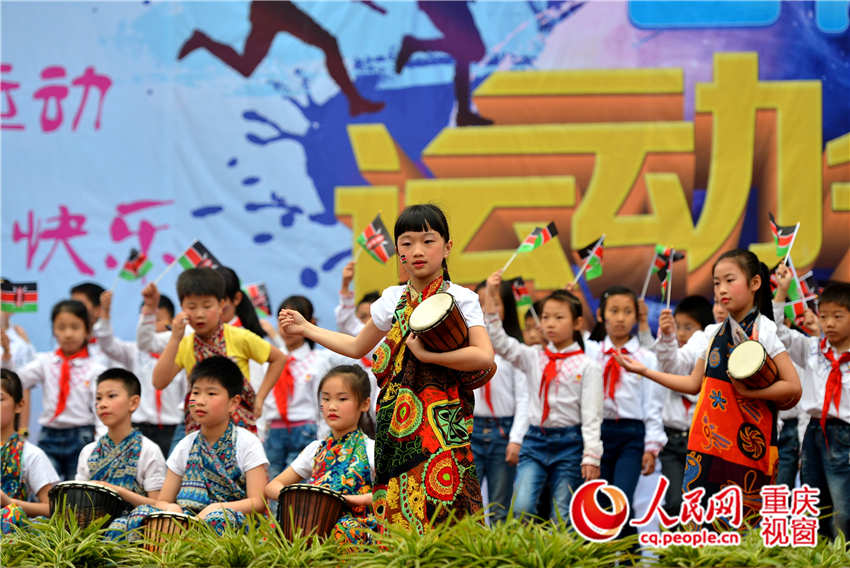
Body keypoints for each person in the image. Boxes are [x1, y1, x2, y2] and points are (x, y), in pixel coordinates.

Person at [279, 204, 495, 533]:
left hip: (443, 421)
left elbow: (483, 356)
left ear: (448, 247)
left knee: (445, 506)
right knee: (396, 510)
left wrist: (429, 357)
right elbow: (356, 346)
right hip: (394, 425)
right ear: (398, 251)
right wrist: (307, 328)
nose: (417, 251)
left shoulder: (461, 297)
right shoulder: (392, 299)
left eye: (428, 241)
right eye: (407, 243)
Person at [615, 249, 801, 522]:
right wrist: (644, 371)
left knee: (744, 526)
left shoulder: (765, 330)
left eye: (729, 280)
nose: (721, 290)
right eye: (716, 283)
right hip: (706, 446)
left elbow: (793, 387)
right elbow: (692, 384)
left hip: (750, 448)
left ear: (755, 284)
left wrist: (751, 392)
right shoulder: (712, 333)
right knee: (700, 526)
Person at [107, 357, 269, 537]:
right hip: (188, 522)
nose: (199, 401)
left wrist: (218, 508)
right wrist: (171, 507)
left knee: (217, 519)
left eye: (211, 394)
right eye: (195, 392)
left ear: (233, 403)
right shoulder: (185, 445)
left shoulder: (247, 442)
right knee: (129, 520)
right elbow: (163, 502)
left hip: (231, 525)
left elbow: (258, 502)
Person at [485, 273, 602, 522]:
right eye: (546, 317)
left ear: (577, 323)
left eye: (559, 318)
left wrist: (591, 455)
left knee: (562, 514)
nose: (550, 323)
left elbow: (592, 416)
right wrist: (493, 297)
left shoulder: (587, 365)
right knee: (521, 507)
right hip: (535, 440)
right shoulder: (532, 356)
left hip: (570, 443)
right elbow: (499, 341)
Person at [177, 1, 384, 117]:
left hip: (269, 9)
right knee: (329, 43)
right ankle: (356, 101)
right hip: (273, 8)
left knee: (246, 66)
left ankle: (202, 40)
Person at [151, 268, 286, 435]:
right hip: (197, 429)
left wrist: (260, 399)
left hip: (238, 427)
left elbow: (279, 358)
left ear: (221, 304)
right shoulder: (185, 344)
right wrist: (174, 338)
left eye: (207, 306)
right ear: (182, 308)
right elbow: (159, 382)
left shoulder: (239, 336)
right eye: (192, 307)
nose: (200, 314)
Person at [773, 268, 850, 539]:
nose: (829, 323)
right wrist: (781, 291)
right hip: (814, 432)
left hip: (844, 433)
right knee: (814, 503)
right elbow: (778, 333)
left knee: (844, 509)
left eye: (838, 317)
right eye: (824, 316)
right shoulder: (813, 348)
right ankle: (817, 556)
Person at [266, 365, 377, 545]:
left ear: (364, 404)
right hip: (312, 521)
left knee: (344, 530)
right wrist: (304, 497)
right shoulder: (315, 449)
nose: (331, 406)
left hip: (355, 526)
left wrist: (347, 500)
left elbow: (388, 494)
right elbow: (272, 486)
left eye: (342, 399)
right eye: (325, 399)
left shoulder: (371, 448)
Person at [585, 286, 666, 533]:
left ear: (637, 317)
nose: (620, 318)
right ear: (601, 315)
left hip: (631, 435)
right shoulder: (590, 352)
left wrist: (652, 448)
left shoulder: (645, 358)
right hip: (597, 434)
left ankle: (630, 559)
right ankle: (604, 560)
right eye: (614, 311)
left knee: (620, 499)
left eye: (628, 312)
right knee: (599, 501)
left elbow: (653, 405)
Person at [10, 300, 105, 480]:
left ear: (87, 331)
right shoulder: (45, 362)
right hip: (49, 435)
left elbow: (99, 406)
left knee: (75, 491)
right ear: (54, 330)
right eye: (61, 327)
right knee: (43, 487)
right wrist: (7, 356)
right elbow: (15, 380)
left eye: (75, 327)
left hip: (82, 436)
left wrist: (100, 442)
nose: (68, 334)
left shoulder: (95, 369)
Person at [638, 295, 713, 516]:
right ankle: (671, 549)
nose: (681, 334)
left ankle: (701, 548)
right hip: (671, 442)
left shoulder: (711, 362)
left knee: (702, 501)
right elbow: (653, 355)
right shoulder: (667, 362)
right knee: (674, 502)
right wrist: (644, 322)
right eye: (677, 327)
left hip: (702, 440)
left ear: (703, 332)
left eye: (688, 327)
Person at [93, 290, 186, 458]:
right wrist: (105, 313)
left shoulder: (181, 352)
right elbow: (107, 344)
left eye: (157, 320)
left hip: (172, 427)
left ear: (172, 322)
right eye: (147, 321)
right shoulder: (134, 351)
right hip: (139, 427)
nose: (151, 326)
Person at [472, 277, 529, 523]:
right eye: (481, 303)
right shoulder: (465, 346)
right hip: (469, 431)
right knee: (467, 504)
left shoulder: (515, 350)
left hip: (502, 432)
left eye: (494, 302)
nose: (487, 309)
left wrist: (516, 439)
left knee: (499, 507)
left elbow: (525, 399)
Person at [76, 369, 166, 507]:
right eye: (99, 398)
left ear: (133, 403)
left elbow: (159, 505)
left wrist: (118, 492)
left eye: (111, 396)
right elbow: (79, 499)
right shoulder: (88, 451)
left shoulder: (149, 450)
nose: (102, 404)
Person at [1, 369, 59, 533]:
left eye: (0, 399)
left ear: (19, 405)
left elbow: (51, 508)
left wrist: (8, 502)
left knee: (11, 514)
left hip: (10, 534)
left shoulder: (31, 454)